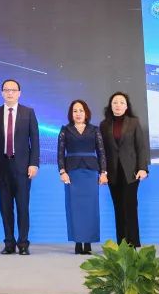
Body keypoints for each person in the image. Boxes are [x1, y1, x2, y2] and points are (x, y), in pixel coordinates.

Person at [0, 79, 40, 255]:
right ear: (2, 92)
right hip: (2, 167)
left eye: (13, 90)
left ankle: (23, 243)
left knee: (23, 207)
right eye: (6, 90)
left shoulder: (28, 112)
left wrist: (34, 163)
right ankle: (9, 242)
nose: (10, 93)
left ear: (19, 93)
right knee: (5, 208)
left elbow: (35, 140)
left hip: (23, 168)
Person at [57, 100, 108, 255]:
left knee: (91, 208)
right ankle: (78, 242)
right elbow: (60, 153)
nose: (78, 114)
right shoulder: (65, 130)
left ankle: (88, 243)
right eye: (75, 111)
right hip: (72, 173)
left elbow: (101, 151)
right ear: (70, 114)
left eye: (81, 110)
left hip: (91, 172)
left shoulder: (95, 130)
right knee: (74, 208)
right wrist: (62, 171)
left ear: (86, 113)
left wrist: (103, 172)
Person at [99, 92, 150, 248]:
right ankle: (121, 244)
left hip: (131, 172)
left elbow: (140, 147)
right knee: (118, 207)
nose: (118, 105)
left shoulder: (134, 122)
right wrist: (103, 171)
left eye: (121, 102)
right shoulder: (104, 125)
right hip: (112, 172)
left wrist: (143, 168)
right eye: (115, 102)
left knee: (130, 206)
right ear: (110, 106)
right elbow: (102, 151)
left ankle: (133, 242)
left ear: (126, 106)